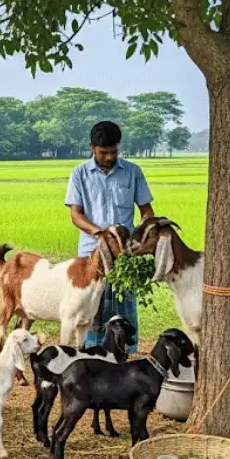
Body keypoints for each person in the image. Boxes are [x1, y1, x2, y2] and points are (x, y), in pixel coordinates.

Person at [65, 120, 154, 353]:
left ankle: (124, 350)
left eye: (114, 152)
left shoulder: (133, 172)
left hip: (124, 253)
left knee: (124, 302)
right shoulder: (79, 174)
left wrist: (139, 238)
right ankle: (90, 350)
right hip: (91, 252)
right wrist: (100, 234)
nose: (109, 157)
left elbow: (147, 212)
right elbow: (76, 215)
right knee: (92, 304)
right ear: (92, 148)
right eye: (104, 152)